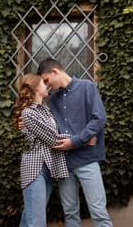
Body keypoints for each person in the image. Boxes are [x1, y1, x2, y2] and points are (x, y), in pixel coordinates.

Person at [37, 58, 113, 227]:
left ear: (55, 71)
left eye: (47, 80)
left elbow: (99, 118)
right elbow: (47, 127)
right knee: (70, 213)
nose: (47, 85)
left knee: (98, 211)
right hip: (64, 163)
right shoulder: (51, 100)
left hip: (88, 160)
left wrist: (75, 141)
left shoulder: (87, 87)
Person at [14, 73, 70, 227]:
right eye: (43, 82)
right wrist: (82, 139)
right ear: (35, 87)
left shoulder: (45, 109)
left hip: (48, 169)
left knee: (29, 217)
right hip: (35, 169)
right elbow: (52, 138)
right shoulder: (28, 113)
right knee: (36, 221)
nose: (47, 85)